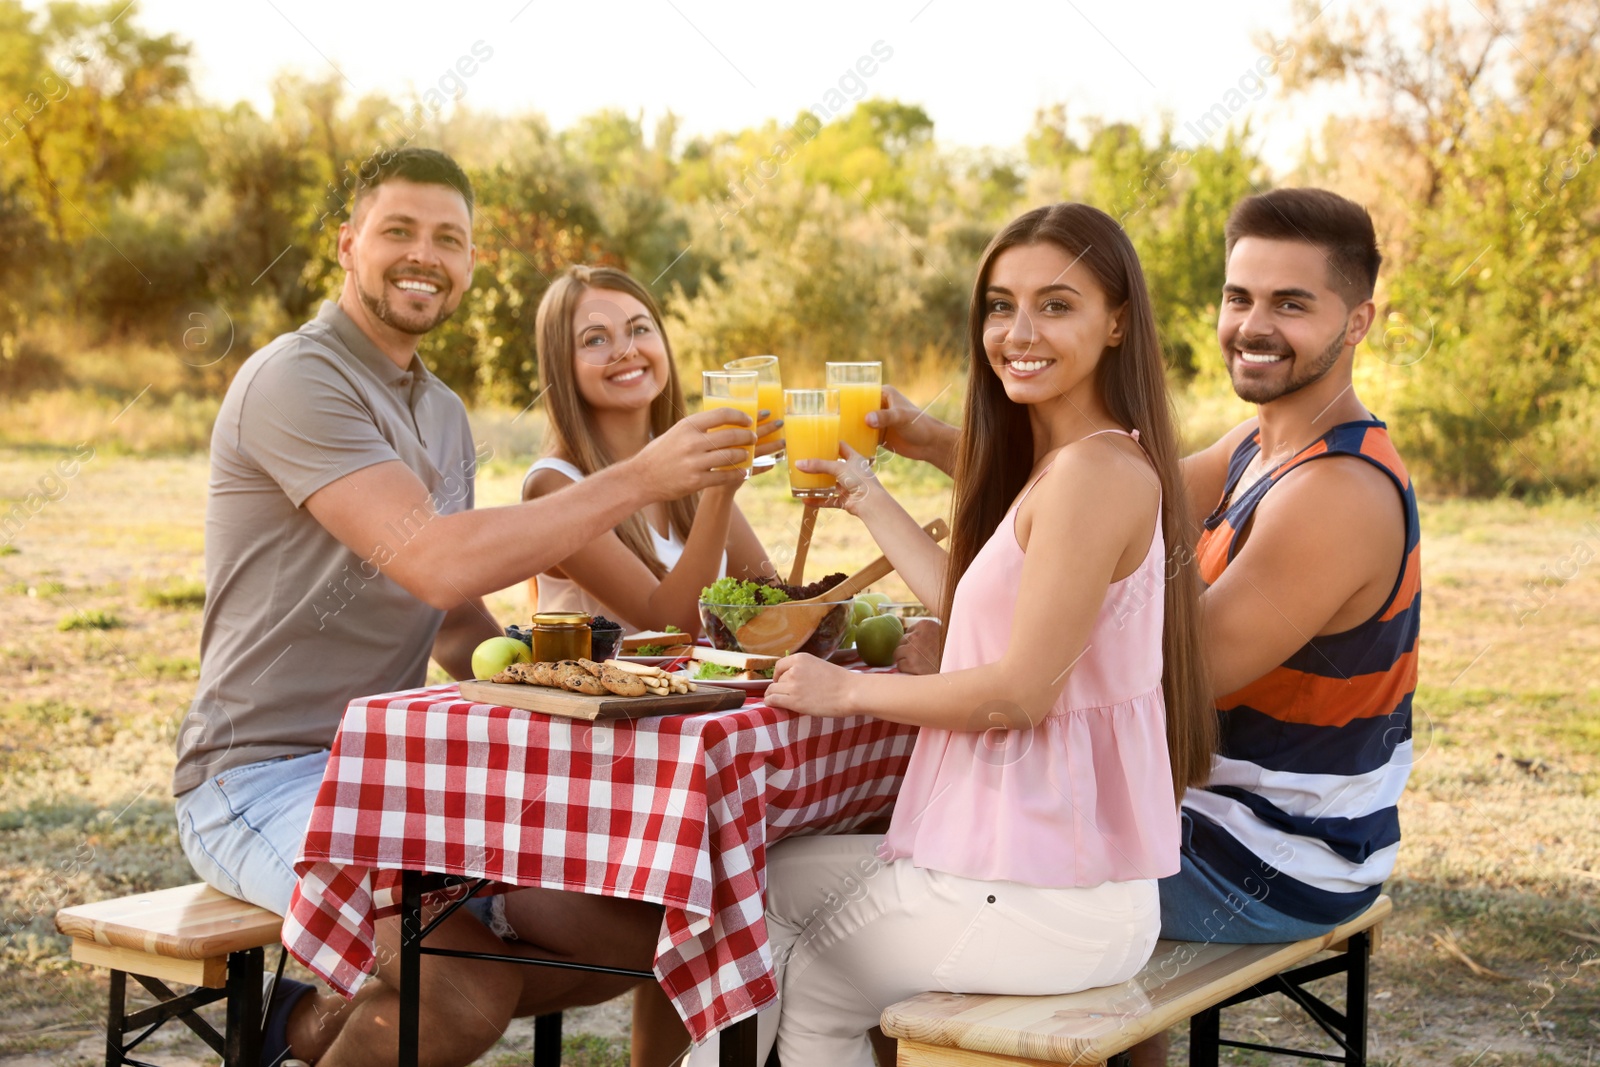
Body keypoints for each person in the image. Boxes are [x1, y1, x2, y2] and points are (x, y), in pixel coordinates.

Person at [171, 147, 757, 1067]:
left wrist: (541, 676)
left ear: (471, 263)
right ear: (347, 244)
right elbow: (438, 566)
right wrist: (644, 475)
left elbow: (449, 622)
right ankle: (302, 1026)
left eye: (449, 238)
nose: (424, 254)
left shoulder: (440, 410)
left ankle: (301, 1026)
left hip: (402, 766)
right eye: (398, 230)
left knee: (641, 926)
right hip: (261, 775)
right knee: (461, 977)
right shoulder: (296, 378)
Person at [876, 188, 1420, 1061]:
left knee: (941, 890)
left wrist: (980, 648)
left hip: (1272, 850)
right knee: (928, 843)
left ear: (1357, 322)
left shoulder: (1335, 493)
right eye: (1239, 297)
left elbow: (1168, 671)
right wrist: (930, 439)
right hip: (1201, 809)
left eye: (1292, 303)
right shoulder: (1258, 445)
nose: (1254, 325)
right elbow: (1098, 501)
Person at [744, 202, 1217, 1067]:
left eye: (1055, 304)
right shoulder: (1072, 464)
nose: (1017, 331)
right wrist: (866, 492)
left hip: (1046, 898)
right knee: (759, 886)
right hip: (1033, 877)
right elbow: (976, 620)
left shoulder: (1093, 474)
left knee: (812, 982)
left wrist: (843, 688)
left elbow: (1014, 693)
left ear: (1117, 322)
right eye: (1000, 305)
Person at [521, 265, 773, 633]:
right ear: (562, 364)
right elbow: (669, 626)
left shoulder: (690, 460)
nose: (627, 351)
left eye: (639, 329)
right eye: (595, 339)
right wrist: (721, 488)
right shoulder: (552, 485)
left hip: (703, 691)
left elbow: (770, 599)